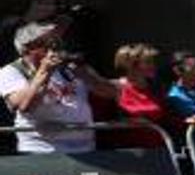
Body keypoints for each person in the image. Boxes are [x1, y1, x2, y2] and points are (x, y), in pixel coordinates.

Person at [3, 17, 116, 153]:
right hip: (41, 151)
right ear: (28, 48)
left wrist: (87, 76)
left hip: (86, 148)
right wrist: (45, 72)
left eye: (57, 42)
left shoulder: (70, 66)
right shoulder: (12, 71)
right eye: (49, 43)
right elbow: (23, 105)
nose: (56, 47)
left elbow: (112, 93)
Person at [112, 43, 183, 147]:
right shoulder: (115, 87)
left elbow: (169, 118)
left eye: (153, 62)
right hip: (130, 153)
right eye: (148, 62)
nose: (153, 66)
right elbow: (109, 120)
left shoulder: (158, 89)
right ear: (131, 65)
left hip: (158, 150)